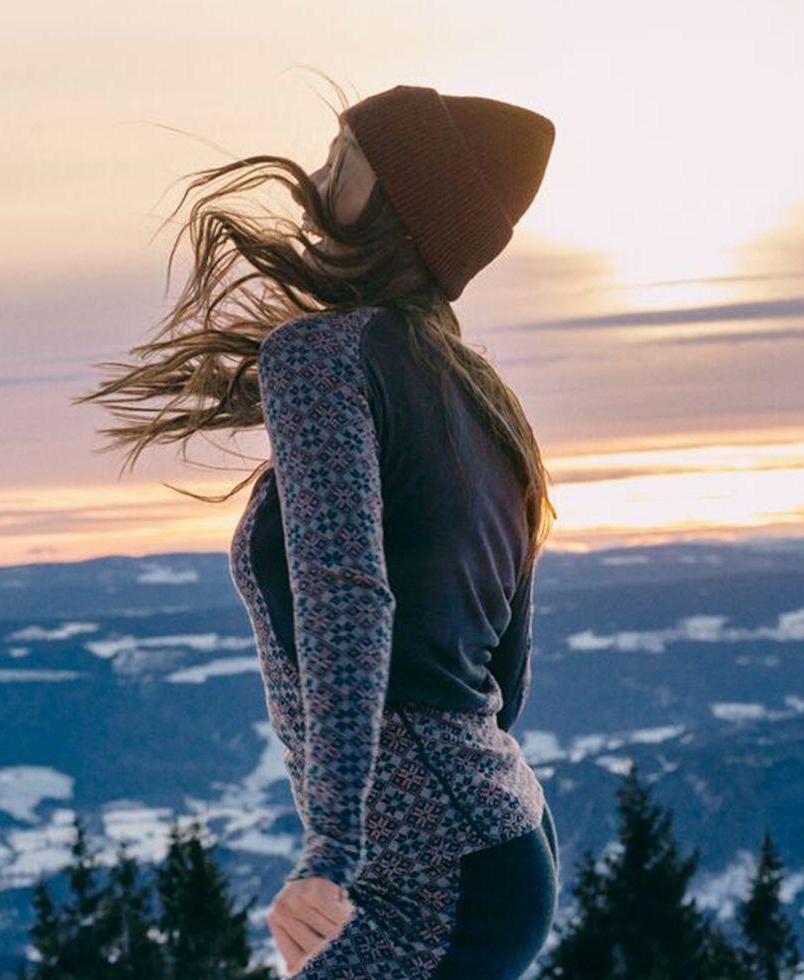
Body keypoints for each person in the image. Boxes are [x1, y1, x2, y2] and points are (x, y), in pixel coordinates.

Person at [85, 84, 561, 978]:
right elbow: (507, 671)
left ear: (402, 201)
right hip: (498, 839)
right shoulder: (487, 400)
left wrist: (336, 850)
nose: (317, 176)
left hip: (426, 876)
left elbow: (344, 592)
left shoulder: (319, 356)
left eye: (345, 161)